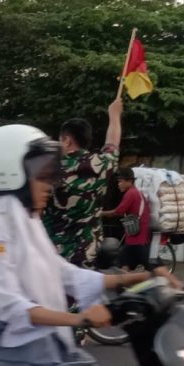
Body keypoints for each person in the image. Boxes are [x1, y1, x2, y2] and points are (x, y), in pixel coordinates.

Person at [0, 124, 180, 366]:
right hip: (23, 355)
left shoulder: (27, 221)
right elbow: (13, 307)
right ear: (9, 174)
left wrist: (142, 277)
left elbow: (66, 273)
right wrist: (79, 318)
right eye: (41, 174)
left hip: (50, 344)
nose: (50, 184)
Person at [42, 95, 124, 268]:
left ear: (67, 139)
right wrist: (114, 115)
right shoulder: (102, 164)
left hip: (53, 255)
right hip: (90, 254)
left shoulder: (49, 170)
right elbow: (112, 142)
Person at [101, 167, 161, 272]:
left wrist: (100, 213)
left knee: (156, 269)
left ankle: (173, 283)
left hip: (138, 238)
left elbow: (118, 211)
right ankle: (123, 285)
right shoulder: (137, 192)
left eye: (120, 182)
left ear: (129, 181)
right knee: (125, 264)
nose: (118, 184)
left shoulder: (131, 194)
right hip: (135, 237)